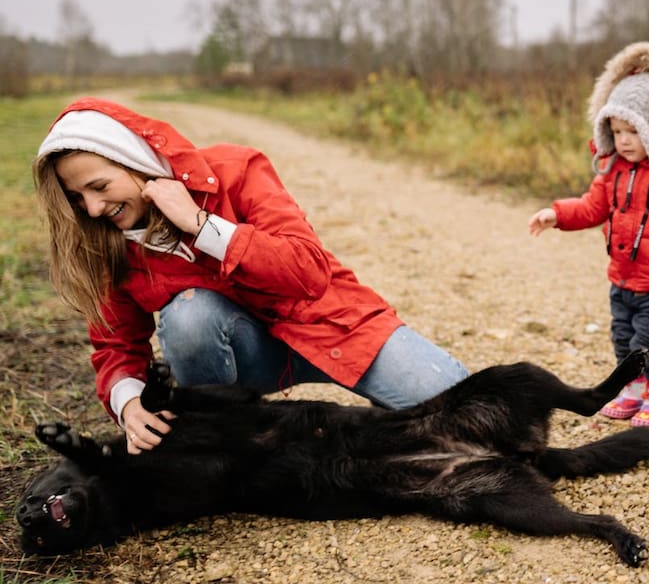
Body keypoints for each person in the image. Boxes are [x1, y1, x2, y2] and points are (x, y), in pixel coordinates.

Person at [34, 97, 470, 454]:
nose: (91, 209)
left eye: (99, 187)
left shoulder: (236, 170)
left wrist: (201, 226)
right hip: (247, 358)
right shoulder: (105, 240)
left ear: (133, 161)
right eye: (77, 198)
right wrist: (128, 403)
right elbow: (114, 345)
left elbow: (307, 270)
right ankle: (226, 439)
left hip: (334, 329)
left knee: (472, 420)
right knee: (189, 316)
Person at [528, 41, 649, 430]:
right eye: (616, 131)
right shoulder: (615, 169)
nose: (624, 140)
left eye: (634, 130)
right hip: (624, 278)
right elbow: (593, 206)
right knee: (622, 338)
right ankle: (631, 390)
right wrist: (557, 215)